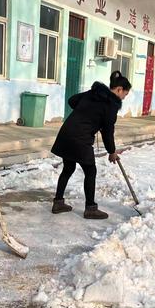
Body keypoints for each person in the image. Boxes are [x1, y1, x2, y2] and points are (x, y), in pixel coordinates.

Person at [51, 70, 131, 219]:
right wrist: (112, 151)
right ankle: (90, 209)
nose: (124, 98)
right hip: (80, 139)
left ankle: (58, 202)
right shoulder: (111, 105)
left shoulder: (93, 93)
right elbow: (108, 132)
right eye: (124, 95)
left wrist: (86, 112)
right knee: (90, 171)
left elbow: (72, 100)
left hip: (66, 133)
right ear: (119, 89)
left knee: (68, 168)